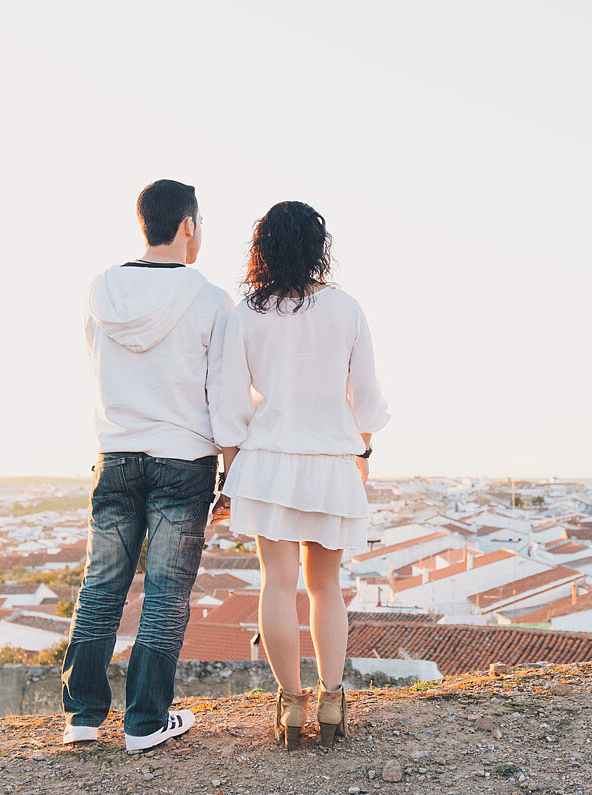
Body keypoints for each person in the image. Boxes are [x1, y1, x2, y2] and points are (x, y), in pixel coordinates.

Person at [211, 201, 389, 749]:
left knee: (277, 586)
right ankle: (333, 699)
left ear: (262, 248)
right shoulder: (346, 309)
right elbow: (368, 403)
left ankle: (291, 706)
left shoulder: (243, 314)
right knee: (326, 586)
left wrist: (231, 474)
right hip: (332, 464)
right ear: (318, 247)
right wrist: (361, 455)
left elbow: (228, 407)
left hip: (268, 462)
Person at [63, 179, 232, 754]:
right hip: (183, 460)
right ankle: (145, 722)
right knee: (164, 592)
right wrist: (233, 468)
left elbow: (94, 362)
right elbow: (224, 395)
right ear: (188, 225)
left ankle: (82, 715)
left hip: (115, 453)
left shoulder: (100, 290)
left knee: (101, 586)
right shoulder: (210, 299)